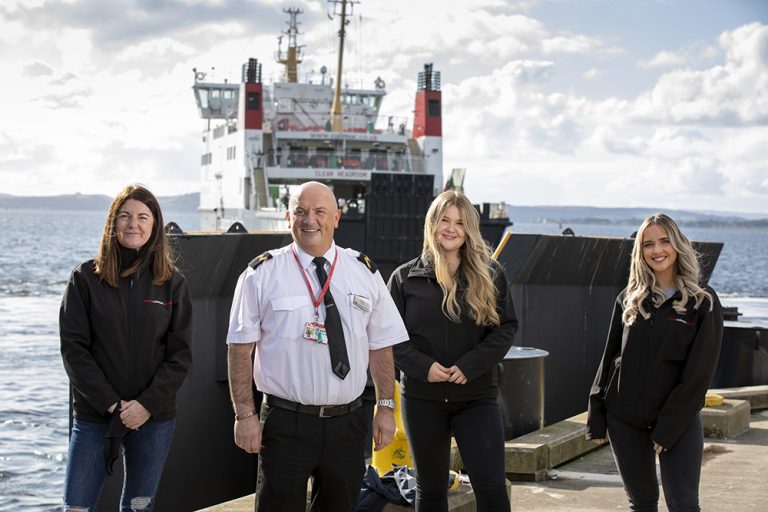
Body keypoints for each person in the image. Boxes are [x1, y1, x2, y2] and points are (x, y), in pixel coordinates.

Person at [226, 181, 408, 512]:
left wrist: (385, 406)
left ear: (336, 217)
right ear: (287, 217)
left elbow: (381, 345)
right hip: (285, 423)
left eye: (320, 211)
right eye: (301, 211)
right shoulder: (261, 274)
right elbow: (240, 349)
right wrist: (244, 414)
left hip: (347, 423)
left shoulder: (362, 272)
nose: (310, 220)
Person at [59, 184, 193, 511]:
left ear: (154, 225)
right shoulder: (84, 279)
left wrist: (145, 405)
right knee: (76, 507)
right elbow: (74, 351)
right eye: (125, 216)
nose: (134, 224)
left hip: (153, 418)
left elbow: (180, 354)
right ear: (112, 224)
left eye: (142, 217)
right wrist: (110, 405)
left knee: (139, 506)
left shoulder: (172, 283)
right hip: (95, 416)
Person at [387, 190, 518, 512]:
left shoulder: (491, 274)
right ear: (432, 224)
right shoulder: (404, 278)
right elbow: (388, 337)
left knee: (490, 486)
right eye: (444, 220)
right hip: (422, 399)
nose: (451, 228)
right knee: (430, 490)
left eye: (460, 222)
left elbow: (506, 328)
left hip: (476, 397)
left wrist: (470, 365)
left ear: (469, 228)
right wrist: (423, 367)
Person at [586, 213, 723, 512]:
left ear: (677, 245)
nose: (657, 250)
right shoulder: (630, 299)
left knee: (684, 504)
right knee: (642, 504)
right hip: (625, 420)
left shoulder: (702, 302)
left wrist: (668, 427)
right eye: (648, 244)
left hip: (678, 422)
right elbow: (609, 358)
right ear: (640, 251)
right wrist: (596, 414)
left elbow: (699, 374)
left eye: (664, 241)